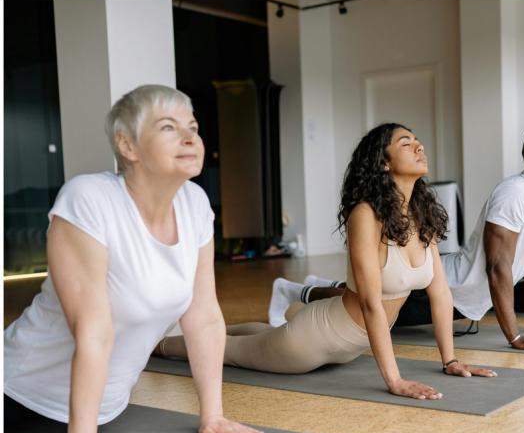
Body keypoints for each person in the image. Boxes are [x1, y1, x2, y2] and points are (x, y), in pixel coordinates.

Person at [4, 85, 263, 433]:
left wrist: (212, 416)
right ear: (127, 145)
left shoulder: (195, 204)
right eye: (169, 127)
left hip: (103, 411)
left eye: (193, 127)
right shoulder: (89, 199)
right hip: (17, 392)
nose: (190, 137)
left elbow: (204, 317)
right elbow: (93, 329)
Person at [159, 123, 495, 399]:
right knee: (225, 351)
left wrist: (450, 360)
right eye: (406, 143)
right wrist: (394, 380)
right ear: (383, 163)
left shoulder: (421, 215)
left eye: (418, 141)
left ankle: (209, 327)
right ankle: (157, 345)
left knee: (258, 336)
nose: (419, 146)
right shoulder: (366, 215)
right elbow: (371, 303)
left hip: (347, 347)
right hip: (311, 341)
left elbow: (441, 294)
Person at [271, 127, 524, 352]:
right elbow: (498, 268)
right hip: (444, 288)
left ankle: (312, 285)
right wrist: (515, 337)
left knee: (371, 297)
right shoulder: (515, 194)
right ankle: (294, 291)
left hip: (463, 298)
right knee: (362, 308)